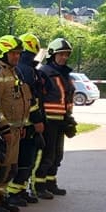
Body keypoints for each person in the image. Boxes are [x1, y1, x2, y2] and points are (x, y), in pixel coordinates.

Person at [0, 35, 31, 212]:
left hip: (16, 128)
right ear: (3, 53)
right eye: (13, 53)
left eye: (18, 54)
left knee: (10, 167)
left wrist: (24, 124)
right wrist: (3, 128)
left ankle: (2, 197)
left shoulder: (14, 72)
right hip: (5, 130)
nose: (17, 57)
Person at [34, 37, 77, 197]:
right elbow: (39, 98)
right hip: (48, 121)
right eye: (61, 54)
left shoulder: (65, 75)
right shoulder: (44, 73)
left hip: (61, 120)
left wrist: (69, 119)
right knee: (47, 154)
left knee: (58, 154)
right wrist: (40, 119)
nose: (64, 57)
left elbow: (66, 99)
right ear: (52, 55)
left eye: (66, 54)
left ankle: (51, 182)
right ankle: (39, 186)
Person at [8, 32, 47, 204]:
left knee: (26, 158)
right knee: (25, 158)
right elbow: (29, 99)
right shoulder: (27, 71)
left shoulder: (24, 69)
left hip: (25, 123)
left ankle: (20, 190)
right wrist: (37, 119)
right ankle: (15, 192)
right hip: (28, 123)